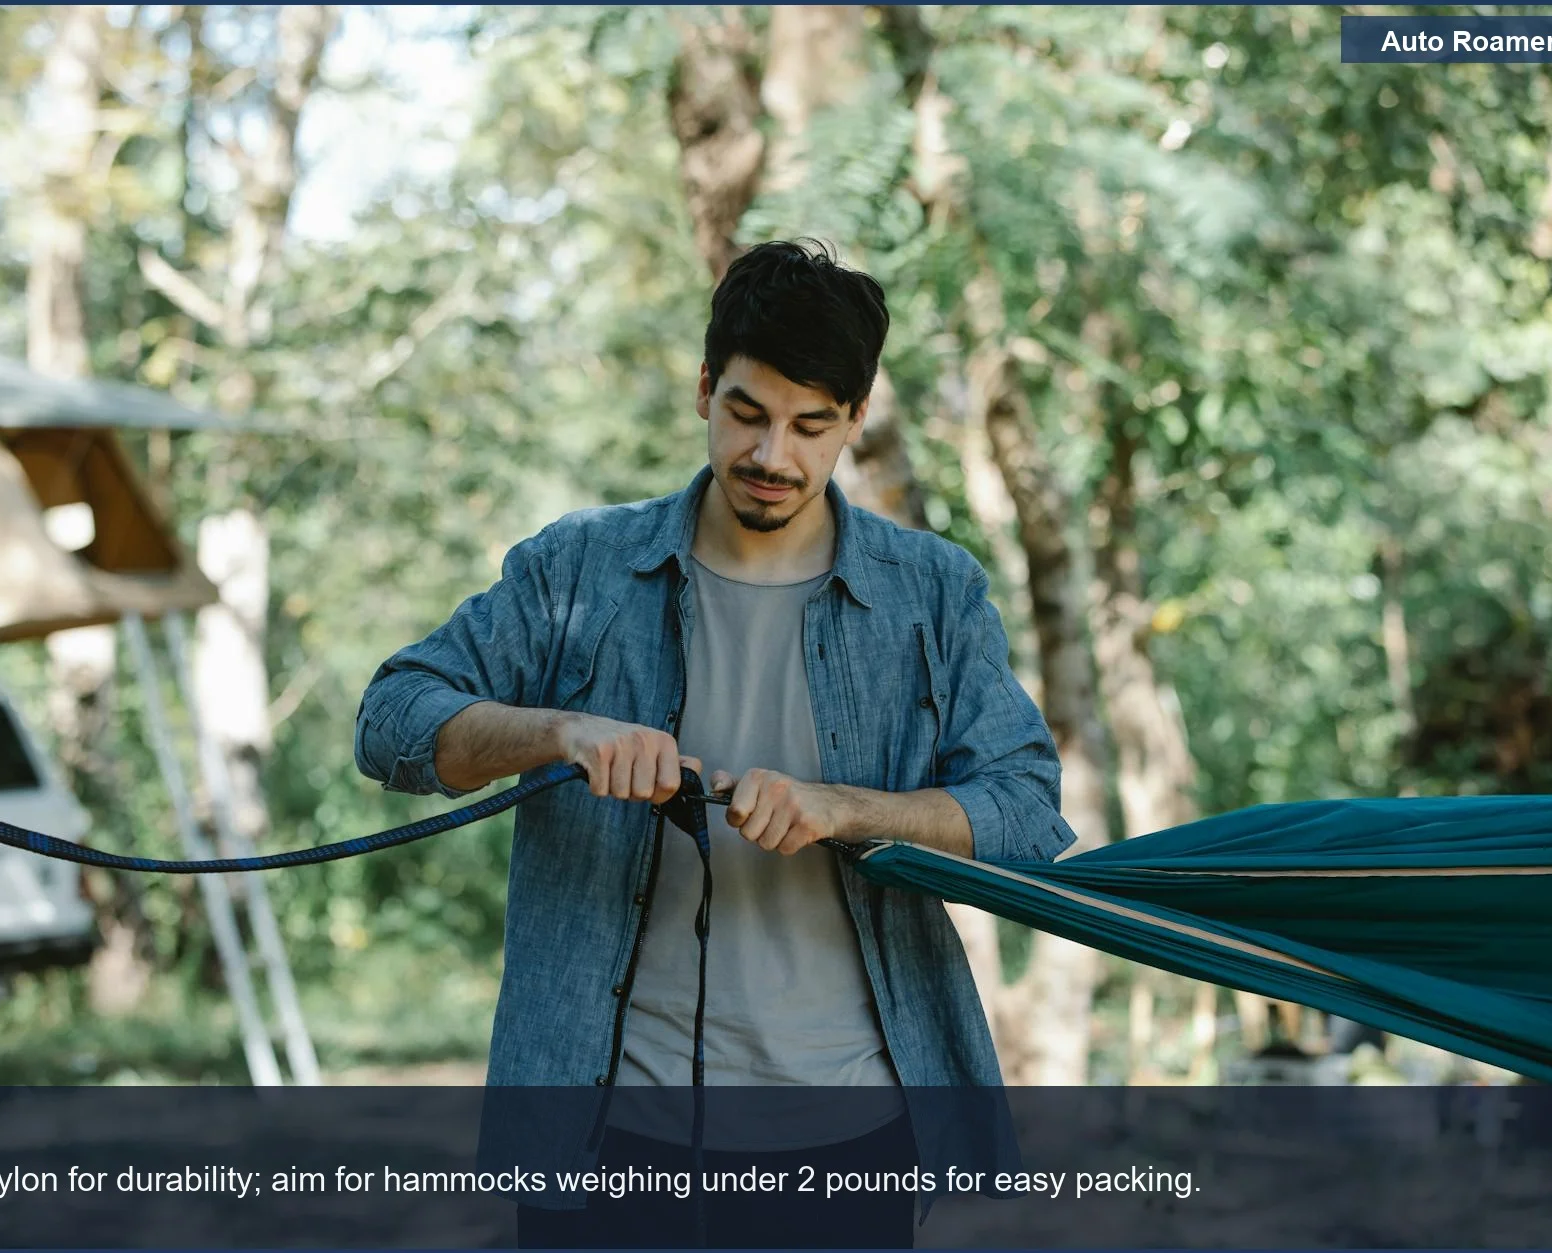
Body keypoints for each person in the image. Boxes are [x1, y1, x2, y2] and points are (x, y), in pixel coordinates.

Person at [355, 240, 1076, 1248]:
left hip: (848, 1137)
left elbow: (1030, 818)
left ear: (854, 422)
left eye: (808, 425)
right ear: (703, 387)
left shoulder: (932, 592)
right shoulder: (576, 566)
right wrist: (558, 730)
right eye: (745, 412)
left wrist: (845, 808)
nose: (770, 455)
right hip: (600, 1135)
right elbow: (389, 720)